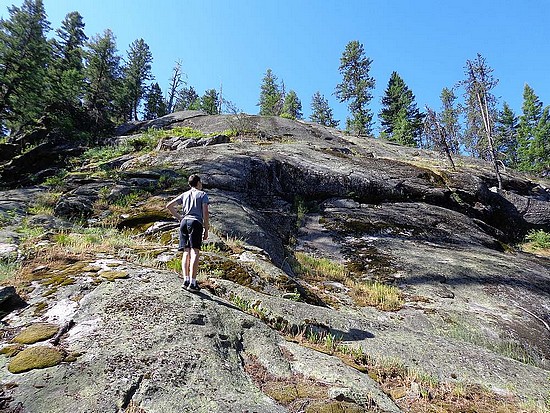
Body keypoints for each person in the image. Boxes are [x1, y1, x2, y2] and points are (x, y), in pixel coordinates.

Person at [166, 174, 209, 292]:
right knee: (195, 251)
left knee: (186, 251)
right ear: (199, 183)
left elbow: (169, 206)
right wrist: (206, 228)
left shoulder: (184, 194)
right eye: (201, 182)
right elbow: (205, 212)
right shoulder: (203, 195)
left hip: (184, 222)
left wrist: (180, 218)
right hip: (196, 223)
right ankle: (193, 282)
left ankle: (185, 280)